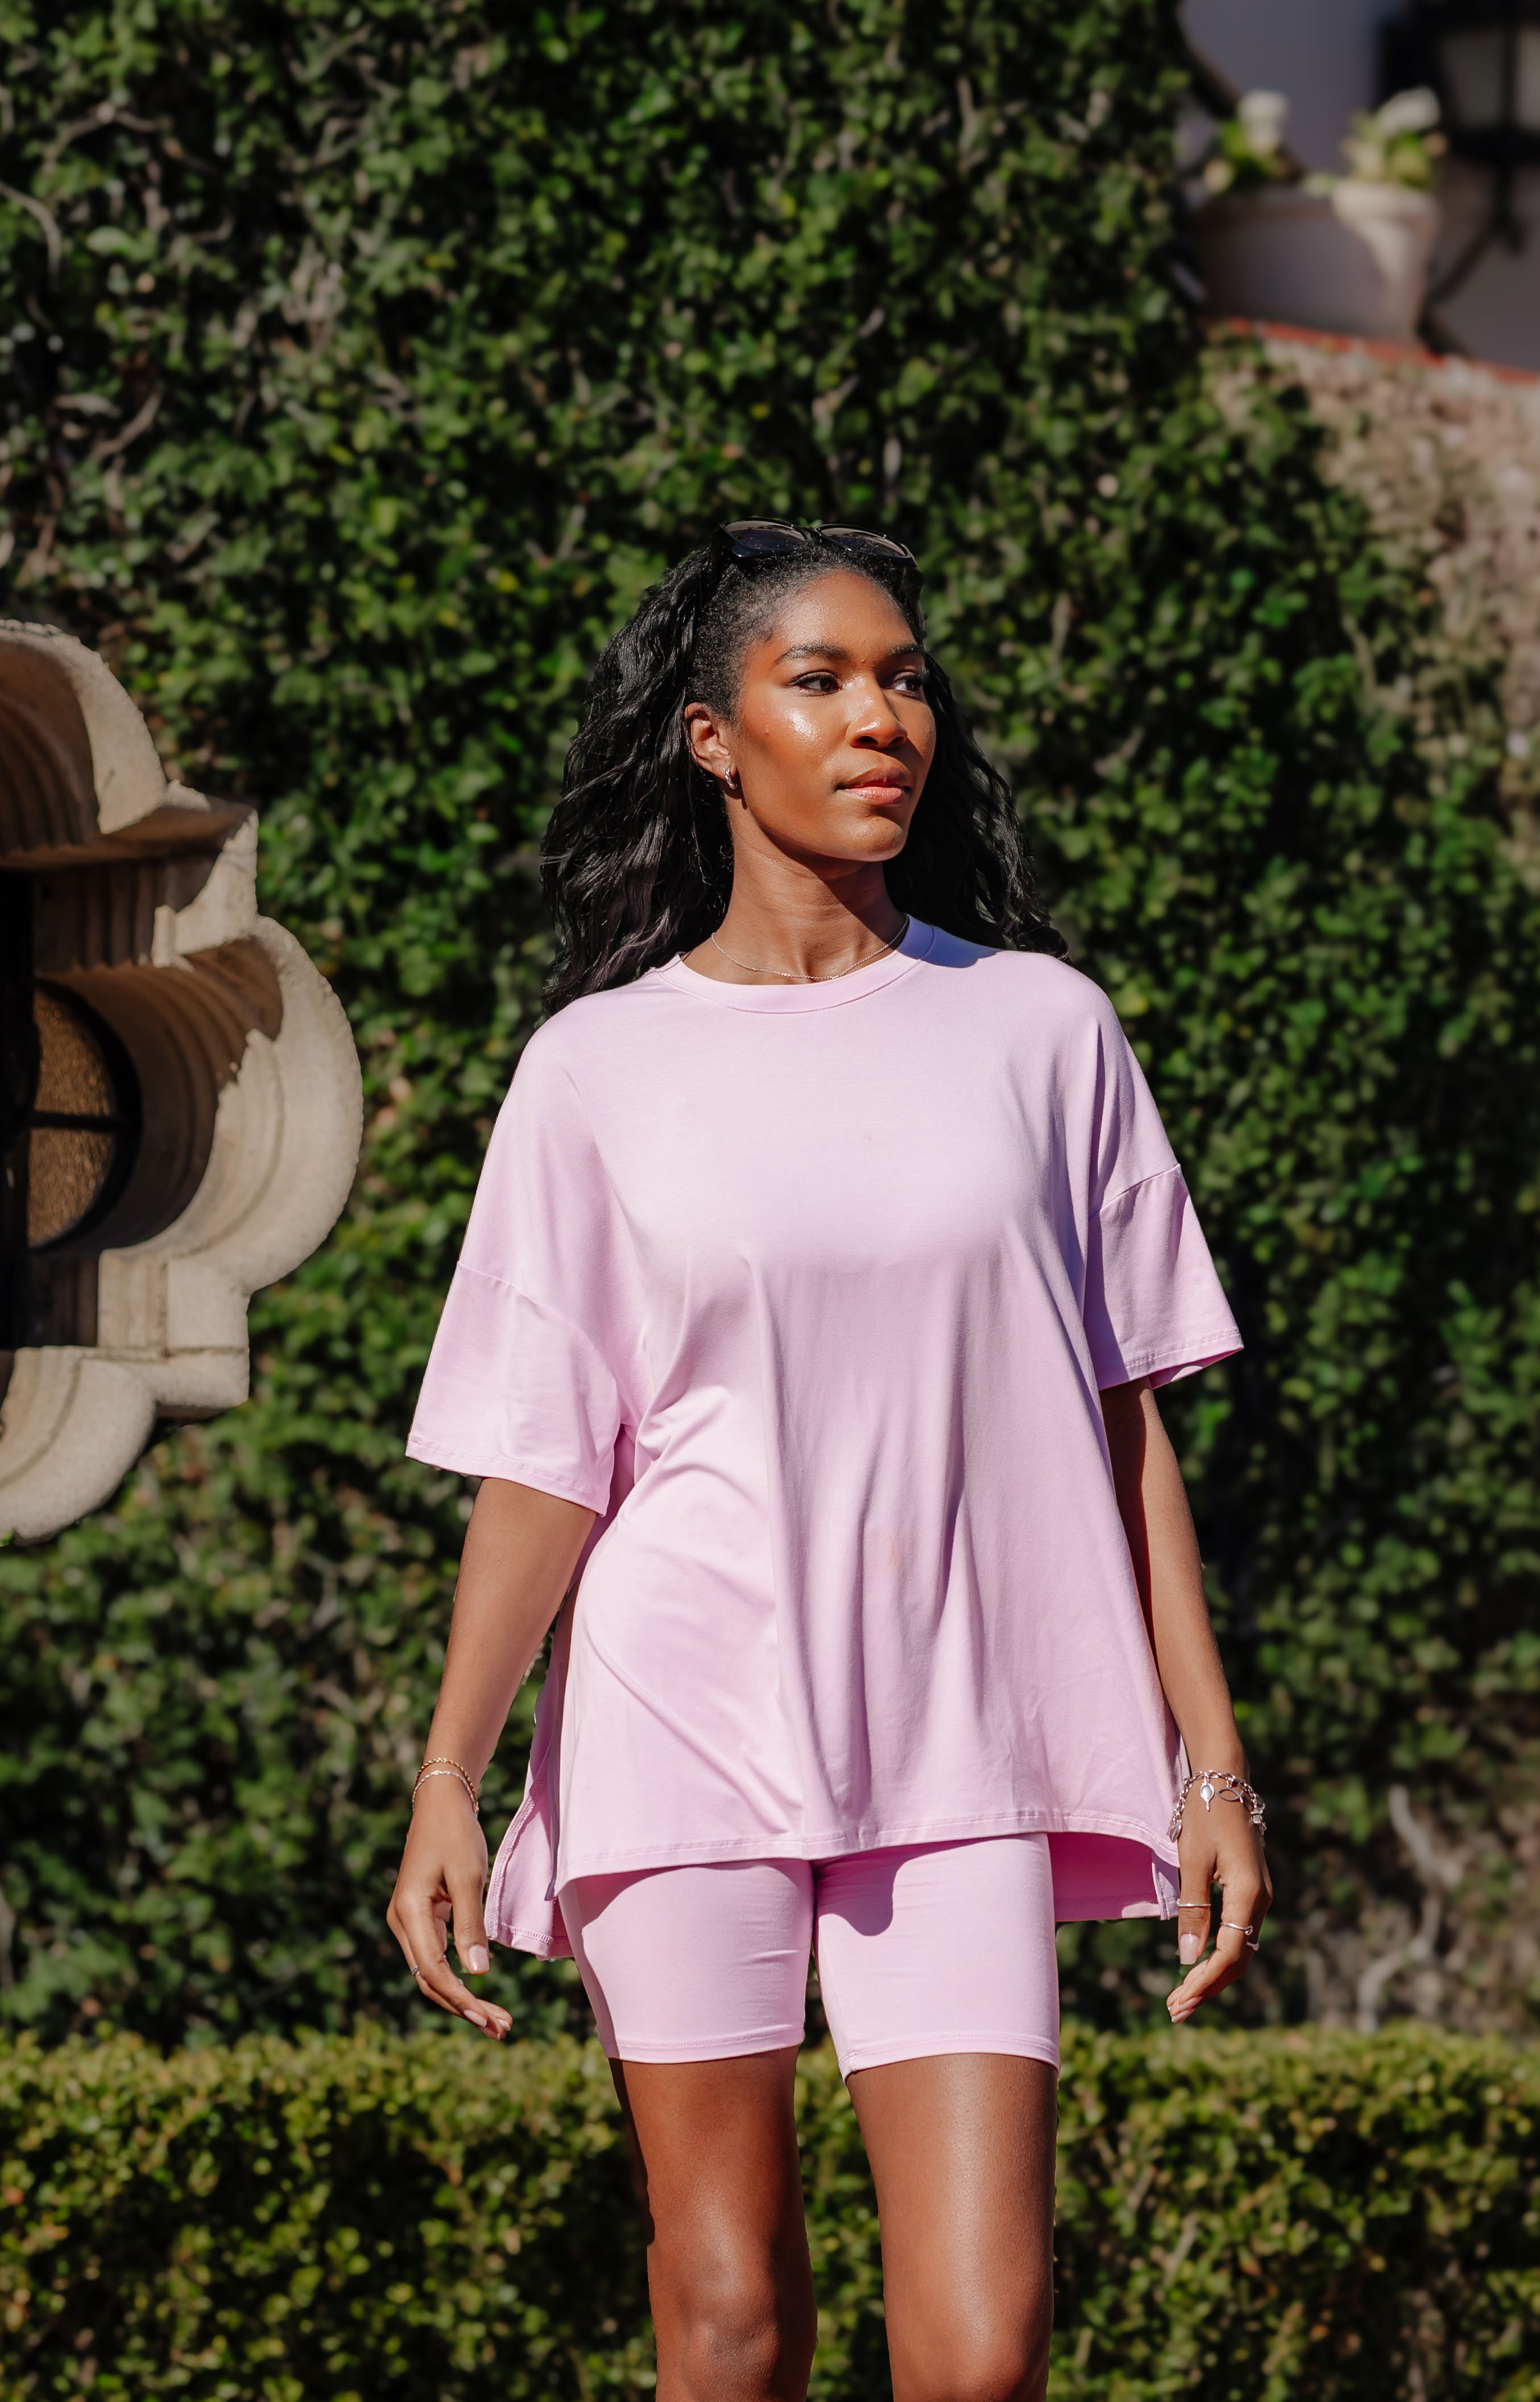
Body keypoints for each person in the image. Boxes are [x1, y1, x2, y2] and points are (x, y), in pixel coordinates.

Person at [387, 519, 1270, 2402]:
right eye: (825, 679)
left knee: (981, 2350)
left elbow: (1121, 1422)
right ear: (714, 738)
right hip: (678, 1722)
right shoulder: (595, 1071)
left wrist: (1215, 1761)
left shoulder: (1041, 1028)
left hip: (965, 1745)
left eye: (908, 678)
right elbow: (550, 1458)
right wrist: (454, 1773)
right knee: (725, 2316)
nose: (885, 718)